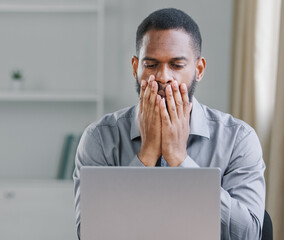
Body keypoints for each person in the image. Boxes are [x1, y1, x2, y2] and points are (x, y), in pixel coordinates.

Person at [73, 8, 265, 240]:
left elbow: (248, 234)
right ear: (136, 68)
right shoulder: (99, 138)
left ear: (199, 69)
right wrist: (147, 155)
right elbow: (90, 234)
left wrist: (179, 159)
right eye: (151, 65)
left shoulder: (238, 139)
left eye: (177, 65)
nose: (163, 77)